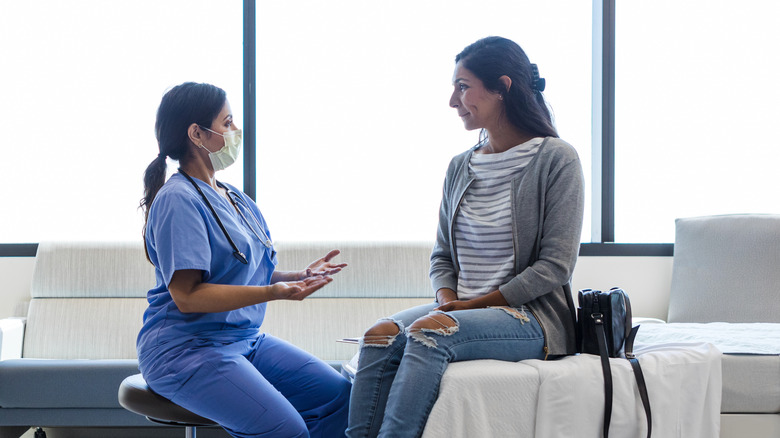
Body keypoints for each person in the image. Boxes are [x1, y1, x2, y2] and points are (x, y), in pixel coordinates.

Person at [346, 37, 584, 438]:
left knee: (429, 332)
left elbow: (554, 267)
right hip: (459, 308)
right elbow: (442, 256)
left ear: (502, 87)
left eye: (462, 86)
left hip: (529, 317)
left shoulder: (557, 158)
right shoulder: (460, 166)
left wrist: (466, 308)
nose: (453, 101)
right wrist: (447, 301)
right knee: (379, 335)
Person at [137, 82, 351, 438]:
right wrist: (276, 292)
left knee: (339, 398)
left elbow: (248, 273)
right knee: (285, 429)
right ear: (197, 134)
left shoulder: (234, 198)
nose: (236, 131)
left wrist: (300, 276)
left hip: (243, 340)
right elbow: (188, 297)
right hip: (185, 351)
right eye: (228, 122)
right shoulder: (177, 200)